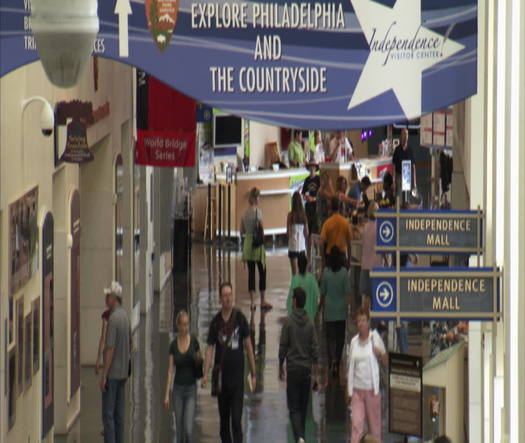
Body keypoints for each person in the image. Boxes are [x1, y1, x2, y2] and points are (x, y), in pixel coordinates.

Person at [202, 282, 257, 443]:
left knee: (236, 422)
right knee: (224, 424)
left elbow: (248, 346)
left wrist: (253, 373)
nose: (227, 299)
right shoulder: (215, 323)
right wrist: (205, 373)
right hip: (222, 382)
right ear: (220, 298)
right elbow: (210, 349)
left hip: (237, 381)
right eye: (224, 295)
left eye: (229, 295)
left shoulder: (240, 318)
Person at [279, 287, 320, 443]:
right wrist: (316, 375)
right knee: (303, 408)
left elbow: (283, 346)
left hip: (293, 369)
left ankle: (300, 438)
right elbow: (315, 349)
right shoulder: (310, 323)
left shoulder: (288, 322)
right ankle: (300, 437)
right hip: (306, 371)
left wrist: (280, 366)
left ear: (295, 301)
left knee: (293, 407)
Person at [346, 307, 387, 443]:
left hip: (372, 390)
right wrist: (349, 390)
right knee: (356, 426)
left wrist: (380, 354)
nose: (361, 324)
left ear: (368, 322)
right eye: (358, 321)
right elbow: (350, 366)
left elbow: (386, 361)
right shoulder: (353, 342)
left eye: (363, 320)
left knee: (374, 428)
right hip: (357, 390)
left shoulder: (375, 338)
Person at [163, 311, 202, 443]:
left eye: (187, 324)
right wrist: (167, 394)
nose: (186, 327)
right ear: (178, 326)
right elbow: (170, 370)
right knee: (179, 430)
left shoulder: (194, 342)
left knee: (188, 430)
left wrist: (199, 361)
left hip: (191, 389)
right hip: (178, 390)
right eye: (183, 324)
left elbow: (199, 364)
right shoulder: (173, 346)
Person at [100, 281, 130, 443]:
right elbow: (130, 343)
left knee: (108, 415)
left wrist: (104, 375)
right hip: (123, 373)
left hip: (112, 375)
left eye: (108, 296)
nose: (105, 298)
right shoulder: (125, 316)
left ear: (114, 298)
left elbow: (110, 348)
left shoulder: (113, 319)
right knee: (119, 416)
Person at [320, 247, 350, 377]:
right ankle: (337, 359)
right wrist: (349, 307)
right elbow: (348, 293)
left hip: (329, 312)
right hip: (341, 311)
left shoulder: (326, 273)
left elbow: (322, 293)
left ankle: (332, 359)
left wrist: (320, 306)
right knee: (340, 338)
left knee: (330, 338)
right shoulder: (344, 273)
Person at [240, 188, 272, 310]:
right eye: (259, 197)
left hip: (248, 245)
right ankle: (263, 300)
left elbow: (241, 230)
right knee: (262, 272)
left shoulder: (244, 214)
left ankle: (252, 302)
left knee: (251, 274)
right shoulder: (258, 213)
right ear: (256, 198)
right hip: (257, 245)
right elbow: (262, 229)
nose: (259, 199)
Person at [359, 202, 383, 307]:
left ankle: (365, 321)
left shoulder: (364, 228)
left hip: (365, 266)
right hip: (377, 266)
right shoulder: (381, 228)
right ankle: (376, 321)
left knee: (367, 298)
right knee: (377, 298)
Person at [320, 196, 353, 265]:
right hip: (342, 256)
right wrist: (349, 260)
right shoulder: (346, 222)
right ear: (340, 206)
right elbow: (349, 244)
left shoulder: (327, 223)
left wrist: (323, 259)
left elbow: (321, 243)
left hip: (330, 257)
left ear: (331, 206)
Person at [287, 253, 320, 320]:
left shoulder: (295, 279)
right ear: (306, 264)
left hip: (297, 318)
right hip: (309, 317)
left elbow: (290, 301)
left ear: (298, 265)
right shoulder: (312, 279)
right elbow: (316, 296)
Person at [287, 191, 308, 275]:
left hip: (293, 245)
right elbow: (306, 232)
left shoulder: (290, 215)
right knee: (302, 271)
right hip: (302, 247)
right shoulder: (304, 215)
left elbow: (288, 232)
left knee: (294, 272)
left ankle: (295, 287)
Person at [392, 128, 417, 195]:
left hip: (407, 176)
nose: (406, 136)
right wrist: (393, 181)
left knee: (407, 196)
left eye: (407, 134)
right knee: (399, 195)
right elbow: (394, 166)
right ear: (401, 135)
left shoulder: (410, 149)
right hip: (399, 175)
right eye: (404, 134)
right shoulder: (397, 150)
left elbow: (413, 166)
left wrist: (415, 183)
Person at [96, 291, 113, 375]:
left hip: (109, 355)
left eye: (107, 299)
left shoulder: (106, 315)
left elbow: (103, 338)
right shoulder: (122, 315)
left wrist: (98, 361)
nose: (105, 301)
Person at [302, 162, 321, 235]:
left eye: (313, 167)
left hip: (316, 206)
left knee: (316, 227)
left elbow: (321, 195)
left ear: (316, 168)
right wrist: (306, 197)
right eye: (310, 167)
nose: (312, 168)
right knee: (309, 227)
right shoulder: (306, 180)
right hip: (308, 207)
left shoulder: (318, 179)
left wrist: (314, 199)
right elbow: (303, 194)